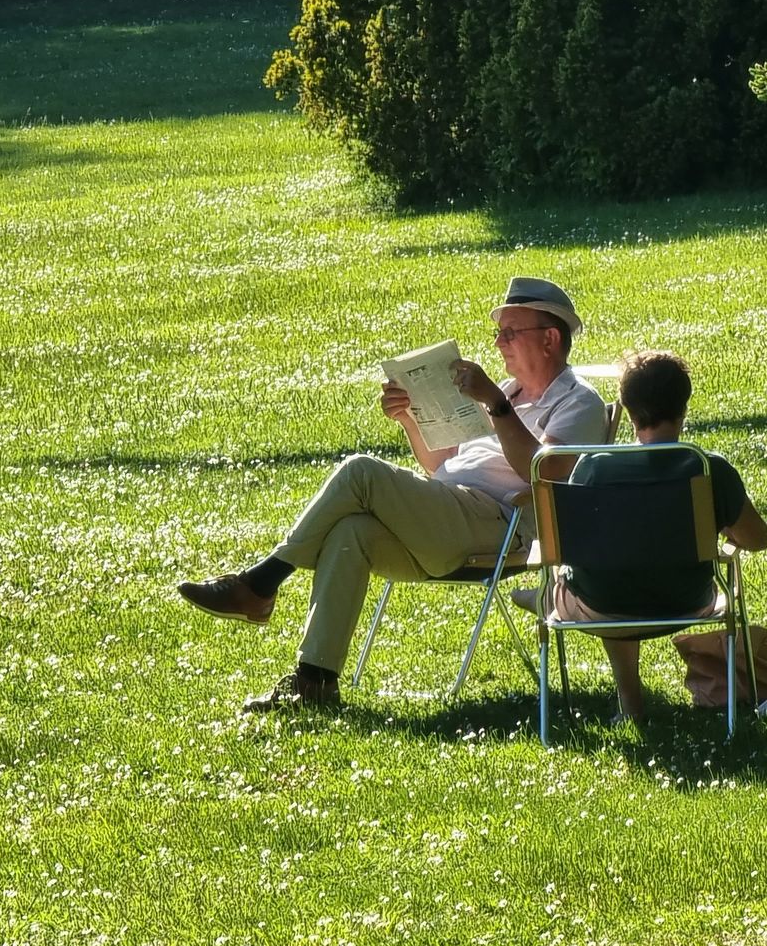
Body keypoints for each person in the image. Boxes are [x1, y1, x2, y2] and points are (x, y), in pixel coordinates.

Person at [178, 277, 611, 712]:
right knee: (352, 532)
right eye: (499, 332)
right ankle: (314, 683)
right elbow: (440, 465)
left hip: (501, 526)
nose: (499, 342)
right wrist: (409, 419)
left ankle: (260, 583)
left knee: (361, 471)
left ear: (550, 338)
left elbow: (545, 474)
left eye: (510, 332)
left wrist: (496, 405)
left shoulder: (578, 402)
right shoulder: (507, 392)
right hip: (446, 515)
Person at [542, 350, 767, 725]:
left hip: (603, 604)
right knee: (624, 575)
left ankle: (631, 705)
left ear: (627, 410)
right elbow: (756, 539)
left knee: (613, 578)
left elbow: (577, 545)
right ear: (684, 404)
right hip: (688, 599)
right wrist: (724, 527)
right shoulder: (707, 469)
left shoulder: (594, 468)